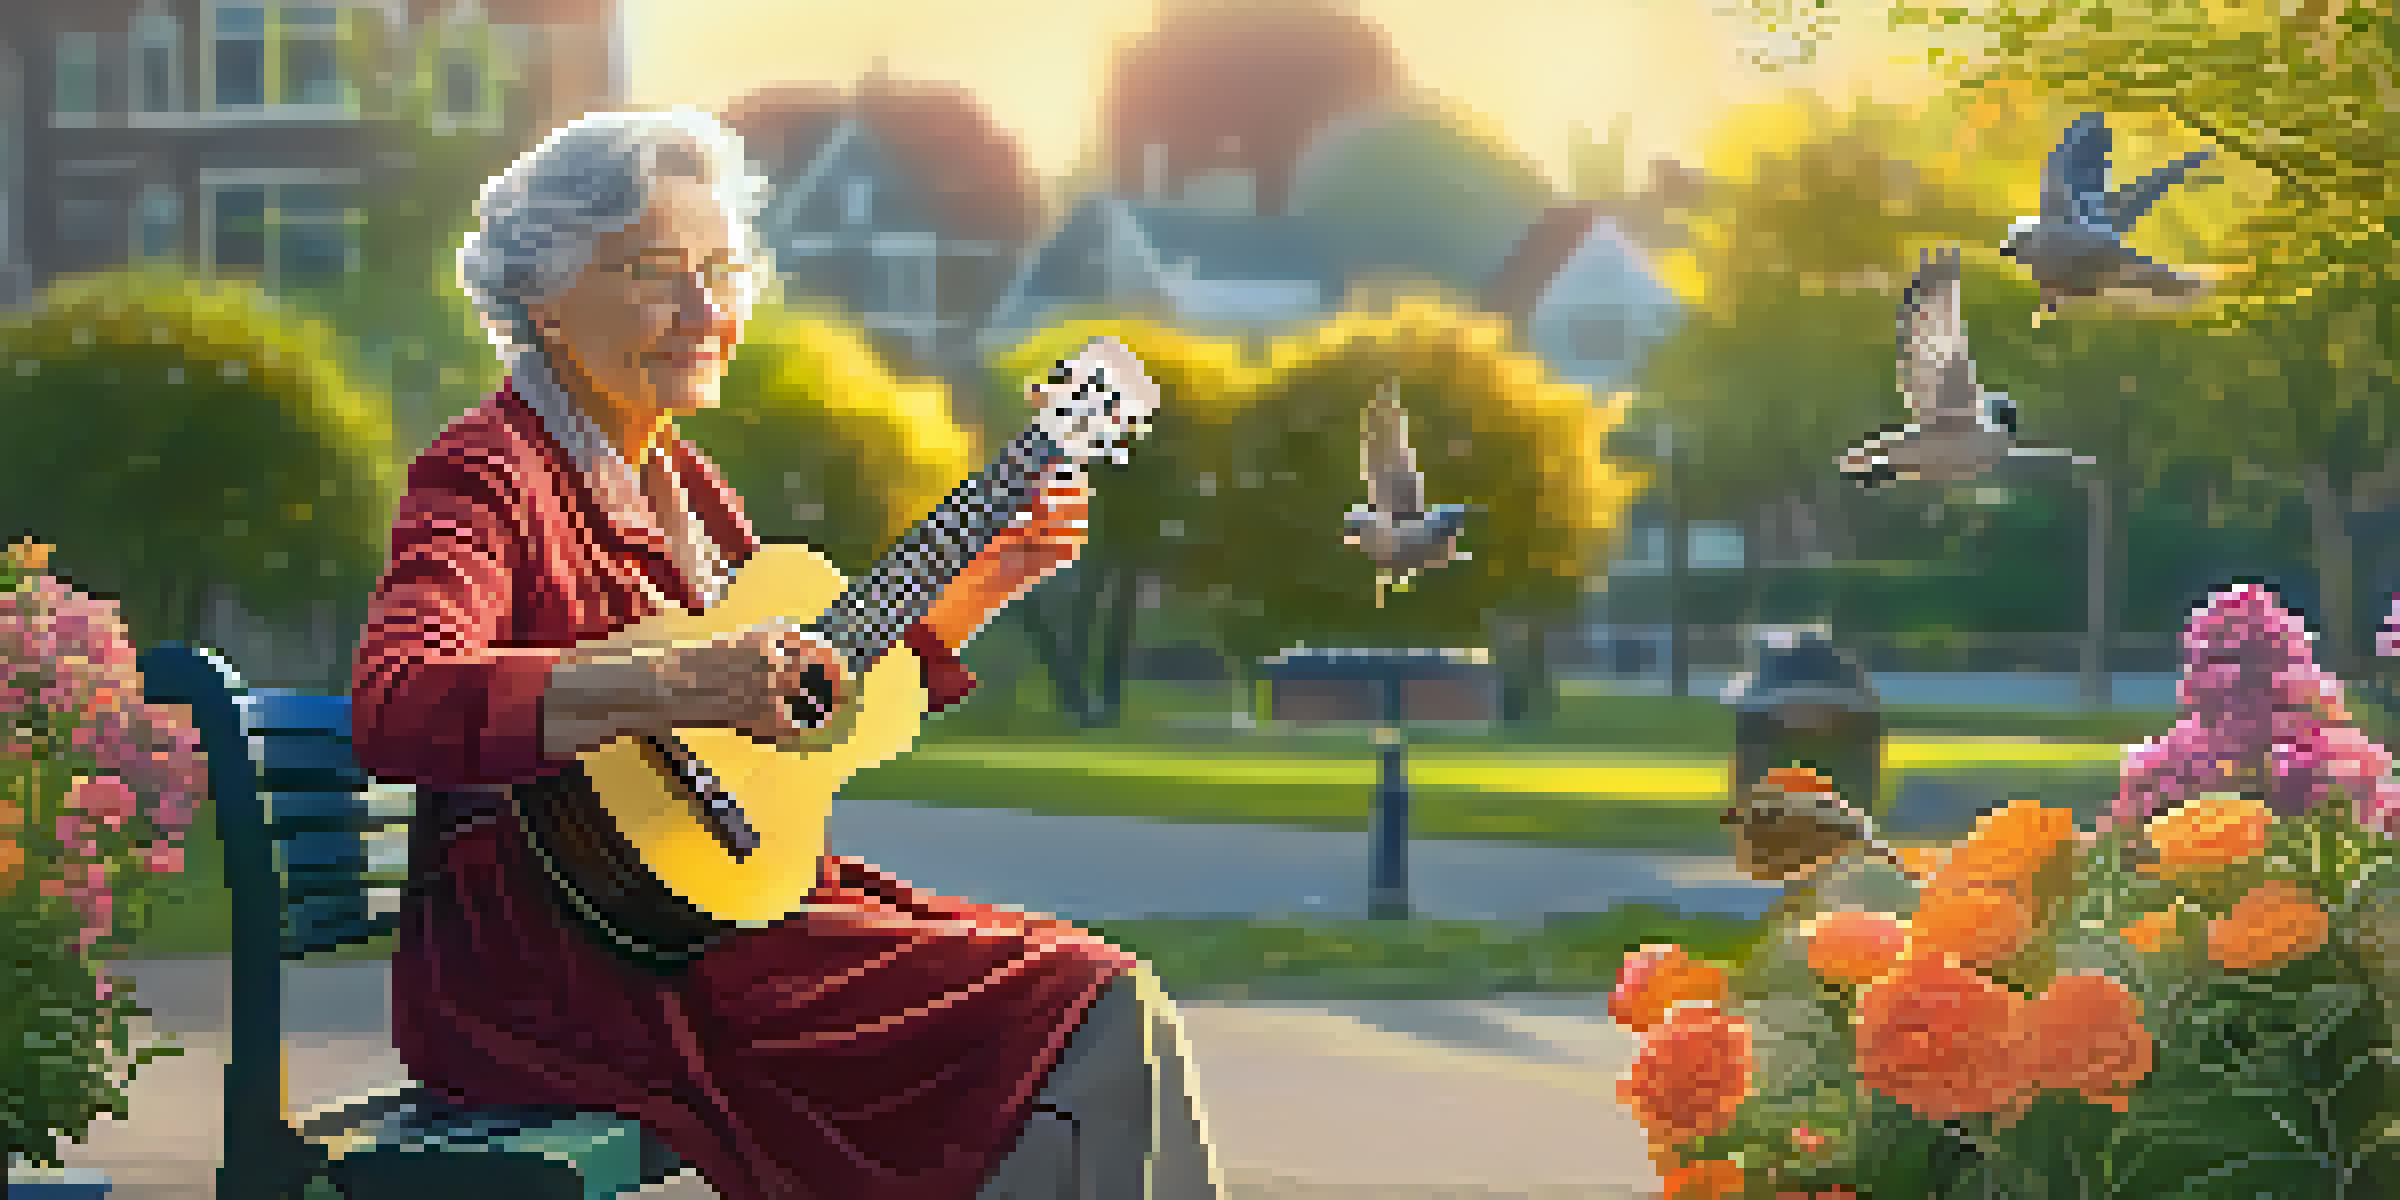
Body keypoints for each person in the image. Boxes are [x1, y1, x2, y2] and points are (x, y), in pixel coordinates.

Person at [350, 106, 1224, 1200]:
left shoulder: (692, 488)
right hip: (554, 971)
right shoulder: (487, 473)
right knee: (1090, 1011)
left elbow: (799, 717)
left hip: (717, 928)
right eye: (655, 273)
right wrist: (675, 680)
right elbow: (399, 700)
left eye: (722, 270)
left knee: (1088, 1026)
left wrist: (986, 585)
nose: (705, 311)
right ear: (545, 299)